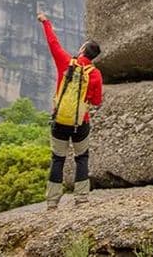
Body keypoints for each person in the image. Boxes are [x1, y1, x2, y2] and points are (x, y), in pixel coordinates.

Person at [38, 12, 103, 208]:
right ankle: (81, 198)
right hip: (80, 122)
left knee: (57, 159)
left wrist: (45, 21)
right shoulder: (95, 74)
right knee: (81, 158)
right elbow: (96, 101)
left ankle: (52, 202)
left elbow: (53, 43)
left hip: (59, 122)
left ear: (83, 49)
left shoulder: (66, 62)